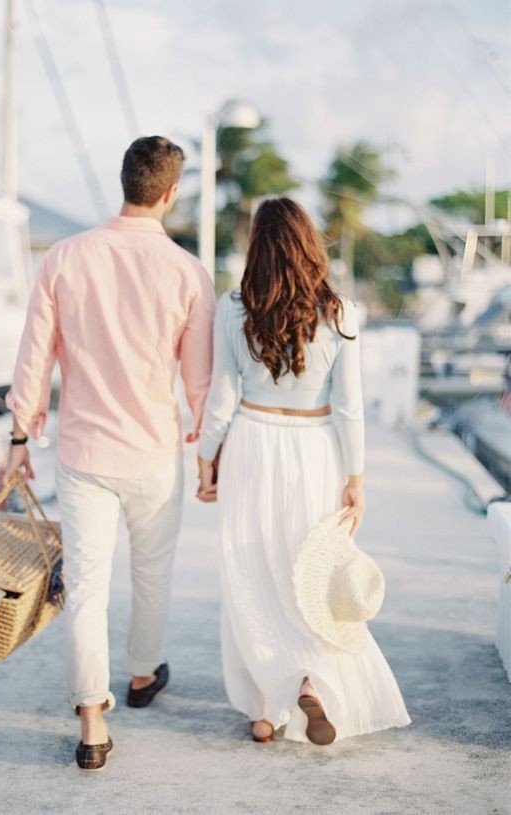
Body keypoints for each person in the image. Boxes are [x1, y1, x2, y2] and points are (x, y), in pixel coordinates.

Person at [4, 136, 216, 770]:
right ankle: (144, 675)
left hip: (84, 454)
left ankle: (92, 720)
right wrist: (207, 453)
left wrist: (19, 436)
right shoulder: (187, 272)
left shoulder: (65, 258)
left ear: (123, 181)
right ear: (172, 194)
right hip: (154, 453)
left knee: (87, 588)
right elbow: (199, 382)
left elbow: (33, 355)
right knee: (152, 577)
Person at [196, 197, 410, 745]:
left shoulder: (234, 307)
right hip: (316, 449)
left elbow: (220, 399)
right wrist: (356, 478)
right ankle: (311, 683)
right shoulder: (341, 313)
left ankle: (266, 709)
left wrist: (205, 460)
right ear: (309, 246)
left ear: (257, 248)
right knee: (305, 575)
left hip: (252, 444)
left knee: (251, 574)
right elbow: (351, 408)